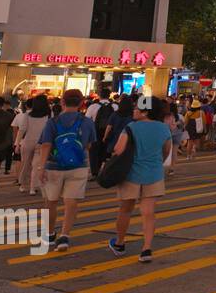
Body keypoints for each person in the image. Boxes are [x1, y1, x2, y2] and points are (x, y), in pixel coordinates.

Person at [107, 96, 172, 263]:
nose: (134, 110)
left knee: (125, 209)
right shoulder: (164, 128)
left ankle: (120, 243)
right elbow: (166, 151)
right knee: (148, 212)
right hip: (154, 174)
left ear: (145, 111)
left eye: (137, 108)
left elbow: (118, 149)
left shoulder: (131, 127)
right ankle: (146, 248)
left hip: (131, 174)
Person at [34, 90, 96, 252]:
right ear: (82, 103)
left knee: (51, 202)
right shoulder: (87, 122)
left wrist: (41, 167)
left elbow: (46, 145)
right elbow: (89, 145)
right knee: (71, 202)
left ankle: (49, 233)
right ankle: (65, 235)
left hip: (54, 166)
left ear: (62, 102)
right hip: (78, 167)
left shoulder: (53, 122)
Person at [15, 96, 50, 196]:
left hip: (27, 142)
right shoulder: (48, 115)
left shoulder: (27, 115)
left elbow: (22, 130)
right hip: (41, 143)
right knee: (37, 166)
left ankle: (22, 185)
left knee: (25, 164)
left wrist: (17, 144)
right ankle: (32, 188)